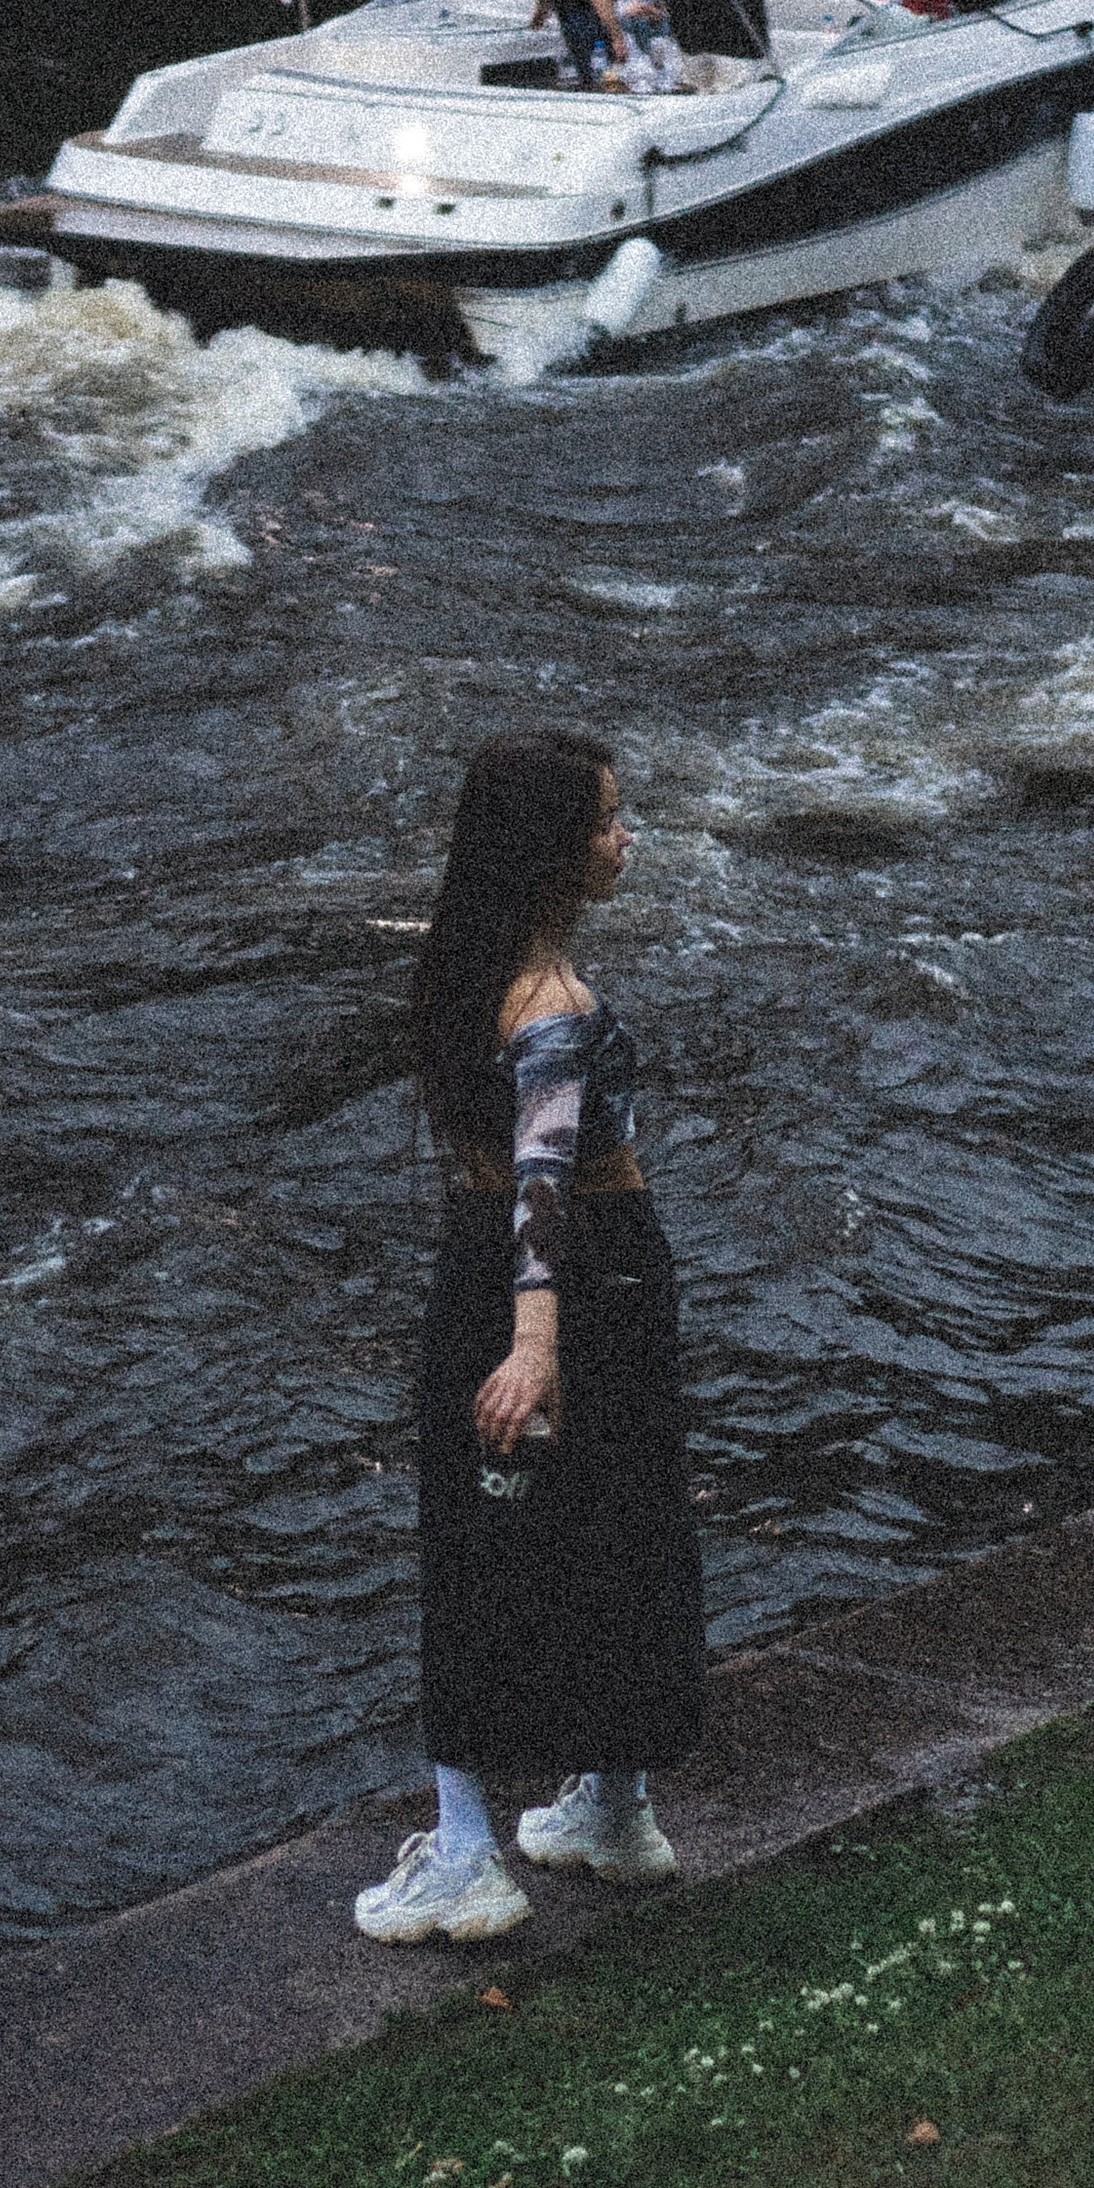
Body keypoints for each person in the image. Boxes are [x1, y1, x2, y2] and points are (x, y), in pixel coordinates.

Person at [359, 731, 704, 1946]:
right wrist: (535, 1346)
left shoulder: (463, 971)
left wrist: (516, 1332)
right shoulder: (550, 1002)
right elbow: (544, 1184)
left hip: (499, 1274)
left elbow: (514, 1182)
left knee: (481, 1538)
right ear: (555, 851)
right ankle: (589, 1813)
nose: (627, 836)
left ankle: (502, 1838)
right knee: (618, 1522)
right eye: (611, 819)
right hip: (575, 1279)